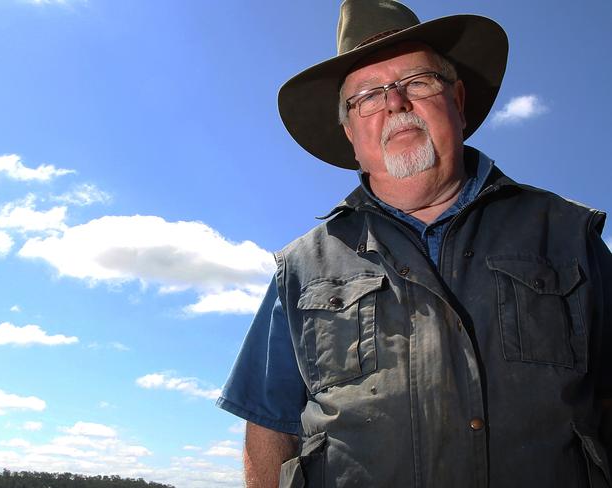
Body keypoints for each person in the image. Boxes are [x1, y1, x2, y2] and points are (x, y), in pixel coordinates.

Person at [216, 1, 612, 487]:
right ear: (350, 133)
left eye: (417, 82)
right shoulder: (299, 268)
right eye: (368, 95)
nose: (395, 103)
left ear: (458, 101)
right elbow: (270, 423)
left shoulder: (570, 235)